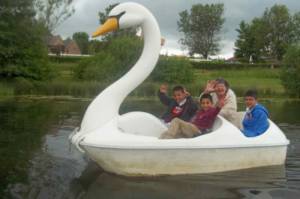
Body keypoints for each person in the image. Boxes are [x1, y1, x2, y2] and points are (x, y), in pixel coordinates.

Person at [160, 94, 224, 139]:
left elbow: (216, 110)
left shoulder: (212, 111)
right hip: (192, 130)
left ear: (211, 103)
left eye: (207, 103)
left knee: (176, 120)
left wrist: (219, 106)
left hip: (198, 131)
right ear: (201, 104)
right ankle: (160, 142)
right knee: (172, 134)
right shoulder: (200, 111)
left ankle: (167, 139)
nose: (205, 105)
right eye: (203, 103)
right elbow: (196, 103)